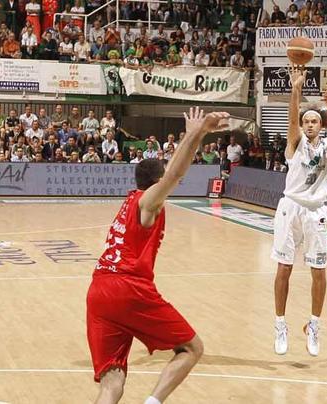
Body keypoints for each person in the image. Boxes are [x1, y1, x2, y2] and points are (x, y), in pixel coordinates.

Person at [86, 107, 229, 404]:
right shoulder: (148, 202)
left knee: (113, 380)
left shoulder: (130, 200)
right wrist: (196, 133)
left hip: (99, 290)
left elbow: (170, 171)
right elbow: (175, 174)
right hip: (126, 288)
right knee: (192, 349)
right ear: (156, 181)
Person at [271, 66, 327, 357]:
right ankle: (280, 324)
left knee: (319, 271)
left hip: (315, 211)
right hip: (290, 208)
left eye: (315, 121)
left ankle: (314, 325)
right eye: (307, 121)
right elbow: (293, 117)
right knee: (284, 268)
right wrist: (296, 89)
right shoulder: (295, 143)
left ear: (322, 125)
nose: (310, 124)